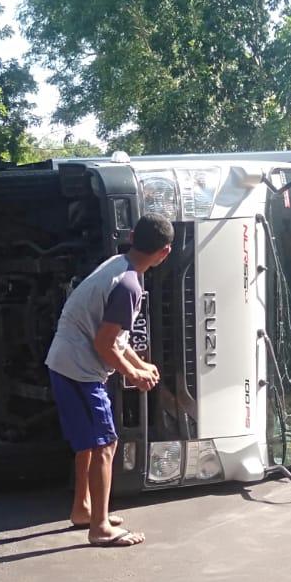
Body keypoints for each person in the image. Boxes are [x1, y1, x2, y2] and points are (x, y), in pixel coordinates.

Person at [45, 213, 175, 548]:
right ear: (165, 252)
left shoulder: (119, 266)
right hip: (79, 369)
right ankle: (100, 527)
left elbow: (114, 338)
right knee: (105, 442)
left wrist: (140, 363)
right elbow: (102, 344)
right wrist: (134, 375)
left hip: (67, 362)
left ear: (132, 237)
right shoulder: (130, 284)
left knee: (89, 443)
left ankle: (83, 509)